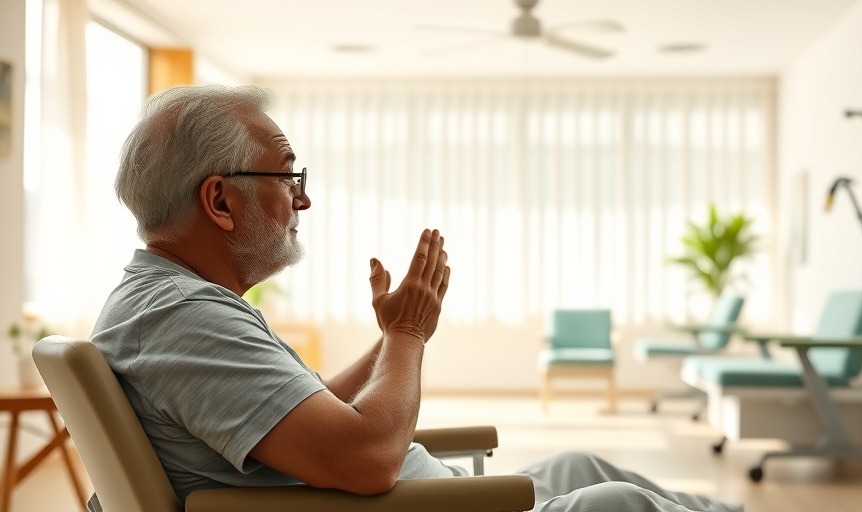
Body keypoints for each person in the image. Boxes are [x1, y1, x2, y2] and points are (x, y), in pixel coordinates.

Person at [90, 84, 742, 512]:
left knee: (579, 465)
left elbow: (322, 411)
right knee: (615, 503)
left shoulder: (175, 303)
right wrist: (408, 340)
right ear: (220, 200)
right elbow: (367, 459)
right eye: (288, 174)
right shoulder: (183, 319)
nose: (303, 198)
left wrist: (391, 336)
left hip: (434, 496)